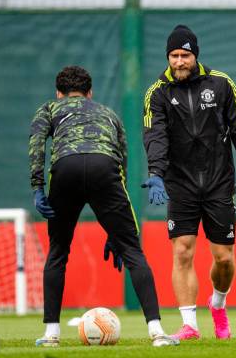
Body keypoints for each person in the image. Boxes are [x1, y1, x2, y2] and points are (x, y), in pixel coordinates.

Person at [29, 65, 177, 347]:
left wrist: (38, 188)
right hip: (103, 168)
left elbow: (36, 145)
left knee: (58, 252)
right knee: (133, 251)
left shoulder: (49, 109)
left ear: (58, 93)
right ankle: (158, 333)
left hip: (66, 169)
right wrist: (115, 230)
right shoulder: (108, 113)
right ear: (90, 92)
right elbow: (122, 162)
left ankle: (51, 335)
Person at [142, 25, 236, 340]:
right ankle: (190, 325)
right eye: (174, 56)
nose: (179, 62)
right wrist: (155, 174)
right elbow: (156, 136)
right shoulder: (157, 93)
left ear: (195, 55)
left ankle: (218, 304)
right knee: (182, 251)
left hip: (219, 182)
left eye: (185, 55)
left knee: (223, 257)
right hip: (180, 184)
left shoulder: (222, 84)